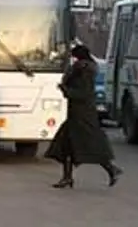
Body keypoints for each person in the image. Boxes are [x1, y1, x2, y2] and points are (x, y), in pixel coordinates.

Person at [44, 44, 122, 189]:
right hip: (77, 115)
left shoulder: (83, 70)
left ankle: (111, 169)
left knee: (89, 146)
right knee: (66, 146)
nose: (73, 60)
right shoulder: (83, 68)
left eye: (74, 57)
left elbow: (82, 93)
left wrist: (65, 89)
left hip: (82, 116)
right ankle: (67, 177)